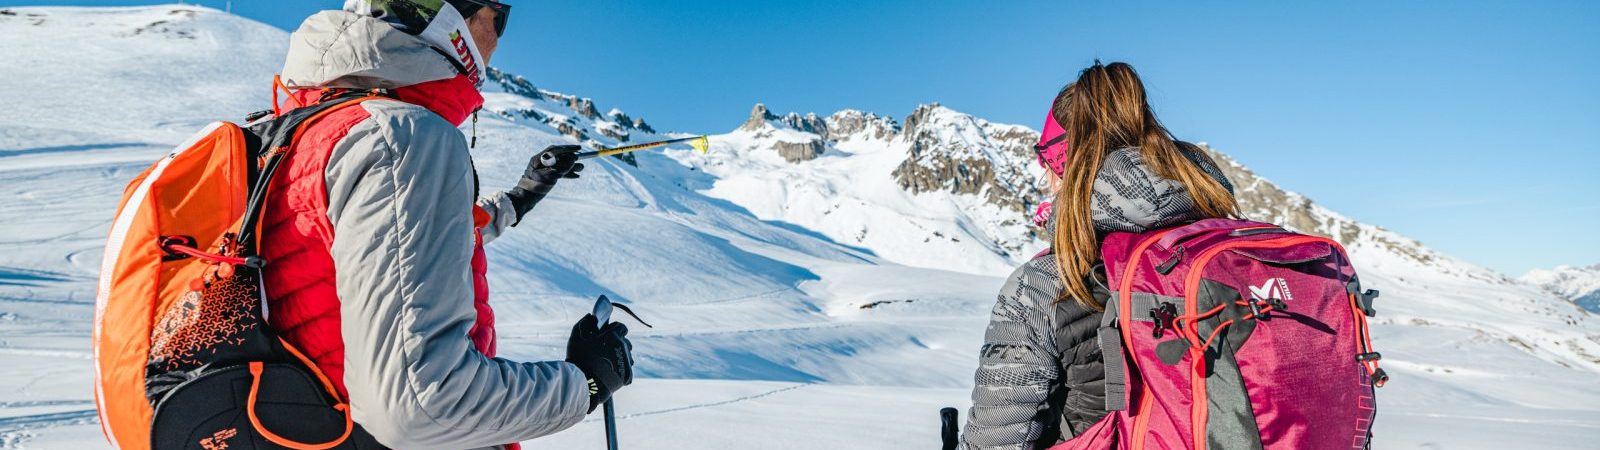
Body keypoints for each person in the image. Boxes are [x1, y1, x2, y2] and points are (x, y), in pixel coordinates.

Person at [260, 1, 632, 448]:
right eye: (501, 16)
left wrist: (524, 192)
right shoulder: (402, 138)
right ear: (453, 20)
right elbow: (421, 403)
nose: (498, 41)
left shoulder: (307, 129)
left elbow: (402, 237)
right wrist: (584, 384)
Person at [960, 61, 1237, 449]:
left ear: (1066, 162)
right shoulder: (1238, 251)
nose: (1045, 177)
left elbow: (996, 440)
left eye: (1047, 160)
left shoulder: (1046, 283)